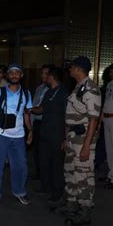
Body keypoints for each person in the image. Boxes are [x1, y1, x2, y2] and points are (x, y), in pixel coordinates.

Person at [58, 56, 101, 226]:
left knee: (83, 174)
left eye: (72, 67)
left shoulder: (90, 89)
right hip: (73, 138)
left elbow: (93, 120)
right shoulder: (78, 87)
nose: (69, 70)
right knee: (70, 171)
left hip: (83, 139)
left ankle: (85, 211)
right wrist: (66, 138)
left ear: (78, 69)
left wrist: (86, 147)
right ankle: (72, 204)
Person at [0, 63, 33, 206]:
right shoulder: (0, 92)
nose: (14, 75)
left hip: (18, 136)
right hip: (0, 135)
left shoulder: (26, 93)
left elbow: (26, 114)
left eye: (17, 73)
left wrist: (30, 130)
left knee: (21, 165)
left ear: (21, 75)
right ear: (7, 76)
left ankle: (19, 191)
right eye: (11, 73)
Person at [32, 67, 68, 206]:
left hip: (57, 135)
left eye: (46, 75)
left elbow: (67, 116)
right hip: (45, 133)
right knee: (44, 161)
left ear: (52, 77)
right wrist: (28, 108)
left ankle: (57, 192)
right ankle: (46, 187)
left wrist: (65, 138)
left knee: (56, 164)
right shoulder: (49, 93)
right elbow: (40, 109)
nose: (44, 77)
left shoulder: (63, 93)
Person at [30, 64, 52, 181]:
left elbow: (39, 108)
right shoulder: (39, 88)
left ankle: (45, 175)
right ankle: (39, 172)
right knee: (37, 150)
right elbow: (34, 105)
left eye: (46, 73)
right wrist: (31, 125)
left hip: (45, 122)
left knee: (44, 151)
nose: (44, 75)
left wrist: (30, 109)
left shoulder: (52, 90)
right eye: (42, 73)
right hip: (37, 123)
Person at [101, 63, 113, 189]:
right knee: (109, 149)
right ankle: (111, 175)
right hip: (107, 117)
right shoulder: (109, 84)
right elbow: (105, 102)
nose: (111, 74)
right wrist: (101, 118)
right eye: (110, 72)